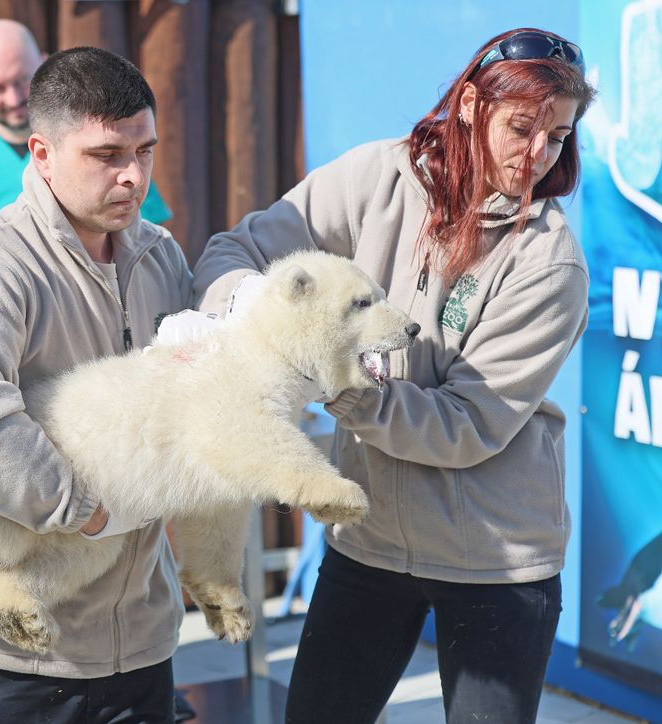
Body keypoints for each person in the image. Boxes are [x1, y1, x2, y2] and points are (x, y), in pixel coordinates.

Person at [192, 28, 596, 724]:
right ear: (470, 104)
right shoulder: (377, 177)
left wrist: (337, 383)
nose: (538, 154)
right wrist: (251, 312)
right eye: (523, 127)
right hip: (370, 543)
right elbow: (240, 251)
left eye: (557, 137)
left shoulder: (549, 263)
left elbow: (466, 427)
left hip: (494, 561)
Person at [0, 46, 191, 723]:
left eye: (144, 151)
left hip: (137, 645)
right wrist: (86, 512)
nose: (132, 176)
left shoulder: (161, 257)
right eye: (106, 155)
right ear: (42, 152)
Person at [0, 18, 173, 266]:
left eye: (23, 80)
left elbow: (147, 243)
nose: (13, 99)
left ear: (45, 69)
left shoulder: (119, 154)